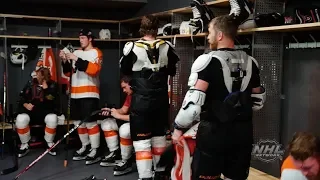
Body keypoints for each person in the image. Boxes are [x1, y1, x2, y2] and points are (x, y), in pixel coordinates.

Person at [171, 14, 266, 180]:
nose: (208, 37)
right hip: (242, 134)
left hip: (214, 133)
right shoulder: (251, 62)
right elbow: (258, 101)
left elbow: (193, 105)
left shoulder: (207, 61)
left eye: (209, 32)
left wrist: (178, 128)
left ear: (220, 35)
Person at [119, 15, 180, 180]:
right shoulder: (167, 46)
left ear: (142, 28)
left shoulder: (131, 47)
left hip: (141, 103)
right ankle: (160, 174)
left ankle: (145, 177)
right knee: (159, 139)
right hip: (161, 102)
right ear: (157, 28)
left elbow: (125, 70)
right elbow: (173, 70)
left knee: (142, 143)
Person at [59, 29, 103, 165]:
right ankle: (85, 146)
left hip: (90, 93)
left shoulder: (96, 52)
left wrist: (76, 59)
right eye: (80, 38)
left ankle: (95, 149)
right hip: (75, 93)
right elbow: (68, 73)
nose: (81, 40)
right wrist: (64, 60)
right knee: (79, 123)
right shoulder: (76, 52)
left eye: (83, 38)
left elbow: (94, 70)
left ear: (90, 39)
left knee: (90, 123)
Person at [15, 67, 59, 157]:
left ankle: (49, 143)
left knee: (52, 119)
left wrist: (46, 90)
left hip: (45, 112)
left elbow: (53, 100)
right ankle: (25, 145)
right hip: (31, 112)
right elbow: (21, 99)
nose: (37, 76)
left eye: (39, 74)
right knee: (20, 119)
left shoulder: (52, 85)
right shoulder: (30, 84)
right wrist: (26, 105)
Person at [100, 76, 134, 176]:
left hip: (140, 126)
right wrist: (111, 111)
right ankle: (115, 153)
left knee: (124, 130)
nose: (123, 90)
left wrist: (118, 116)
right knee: (106, 123)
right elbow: (123, 110)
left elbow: (136, 117)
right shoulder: (129, 95)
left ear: (131, 85)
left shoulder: (140, 95)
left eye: (124, 87)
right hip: (129, 121)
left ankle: (126, 160)